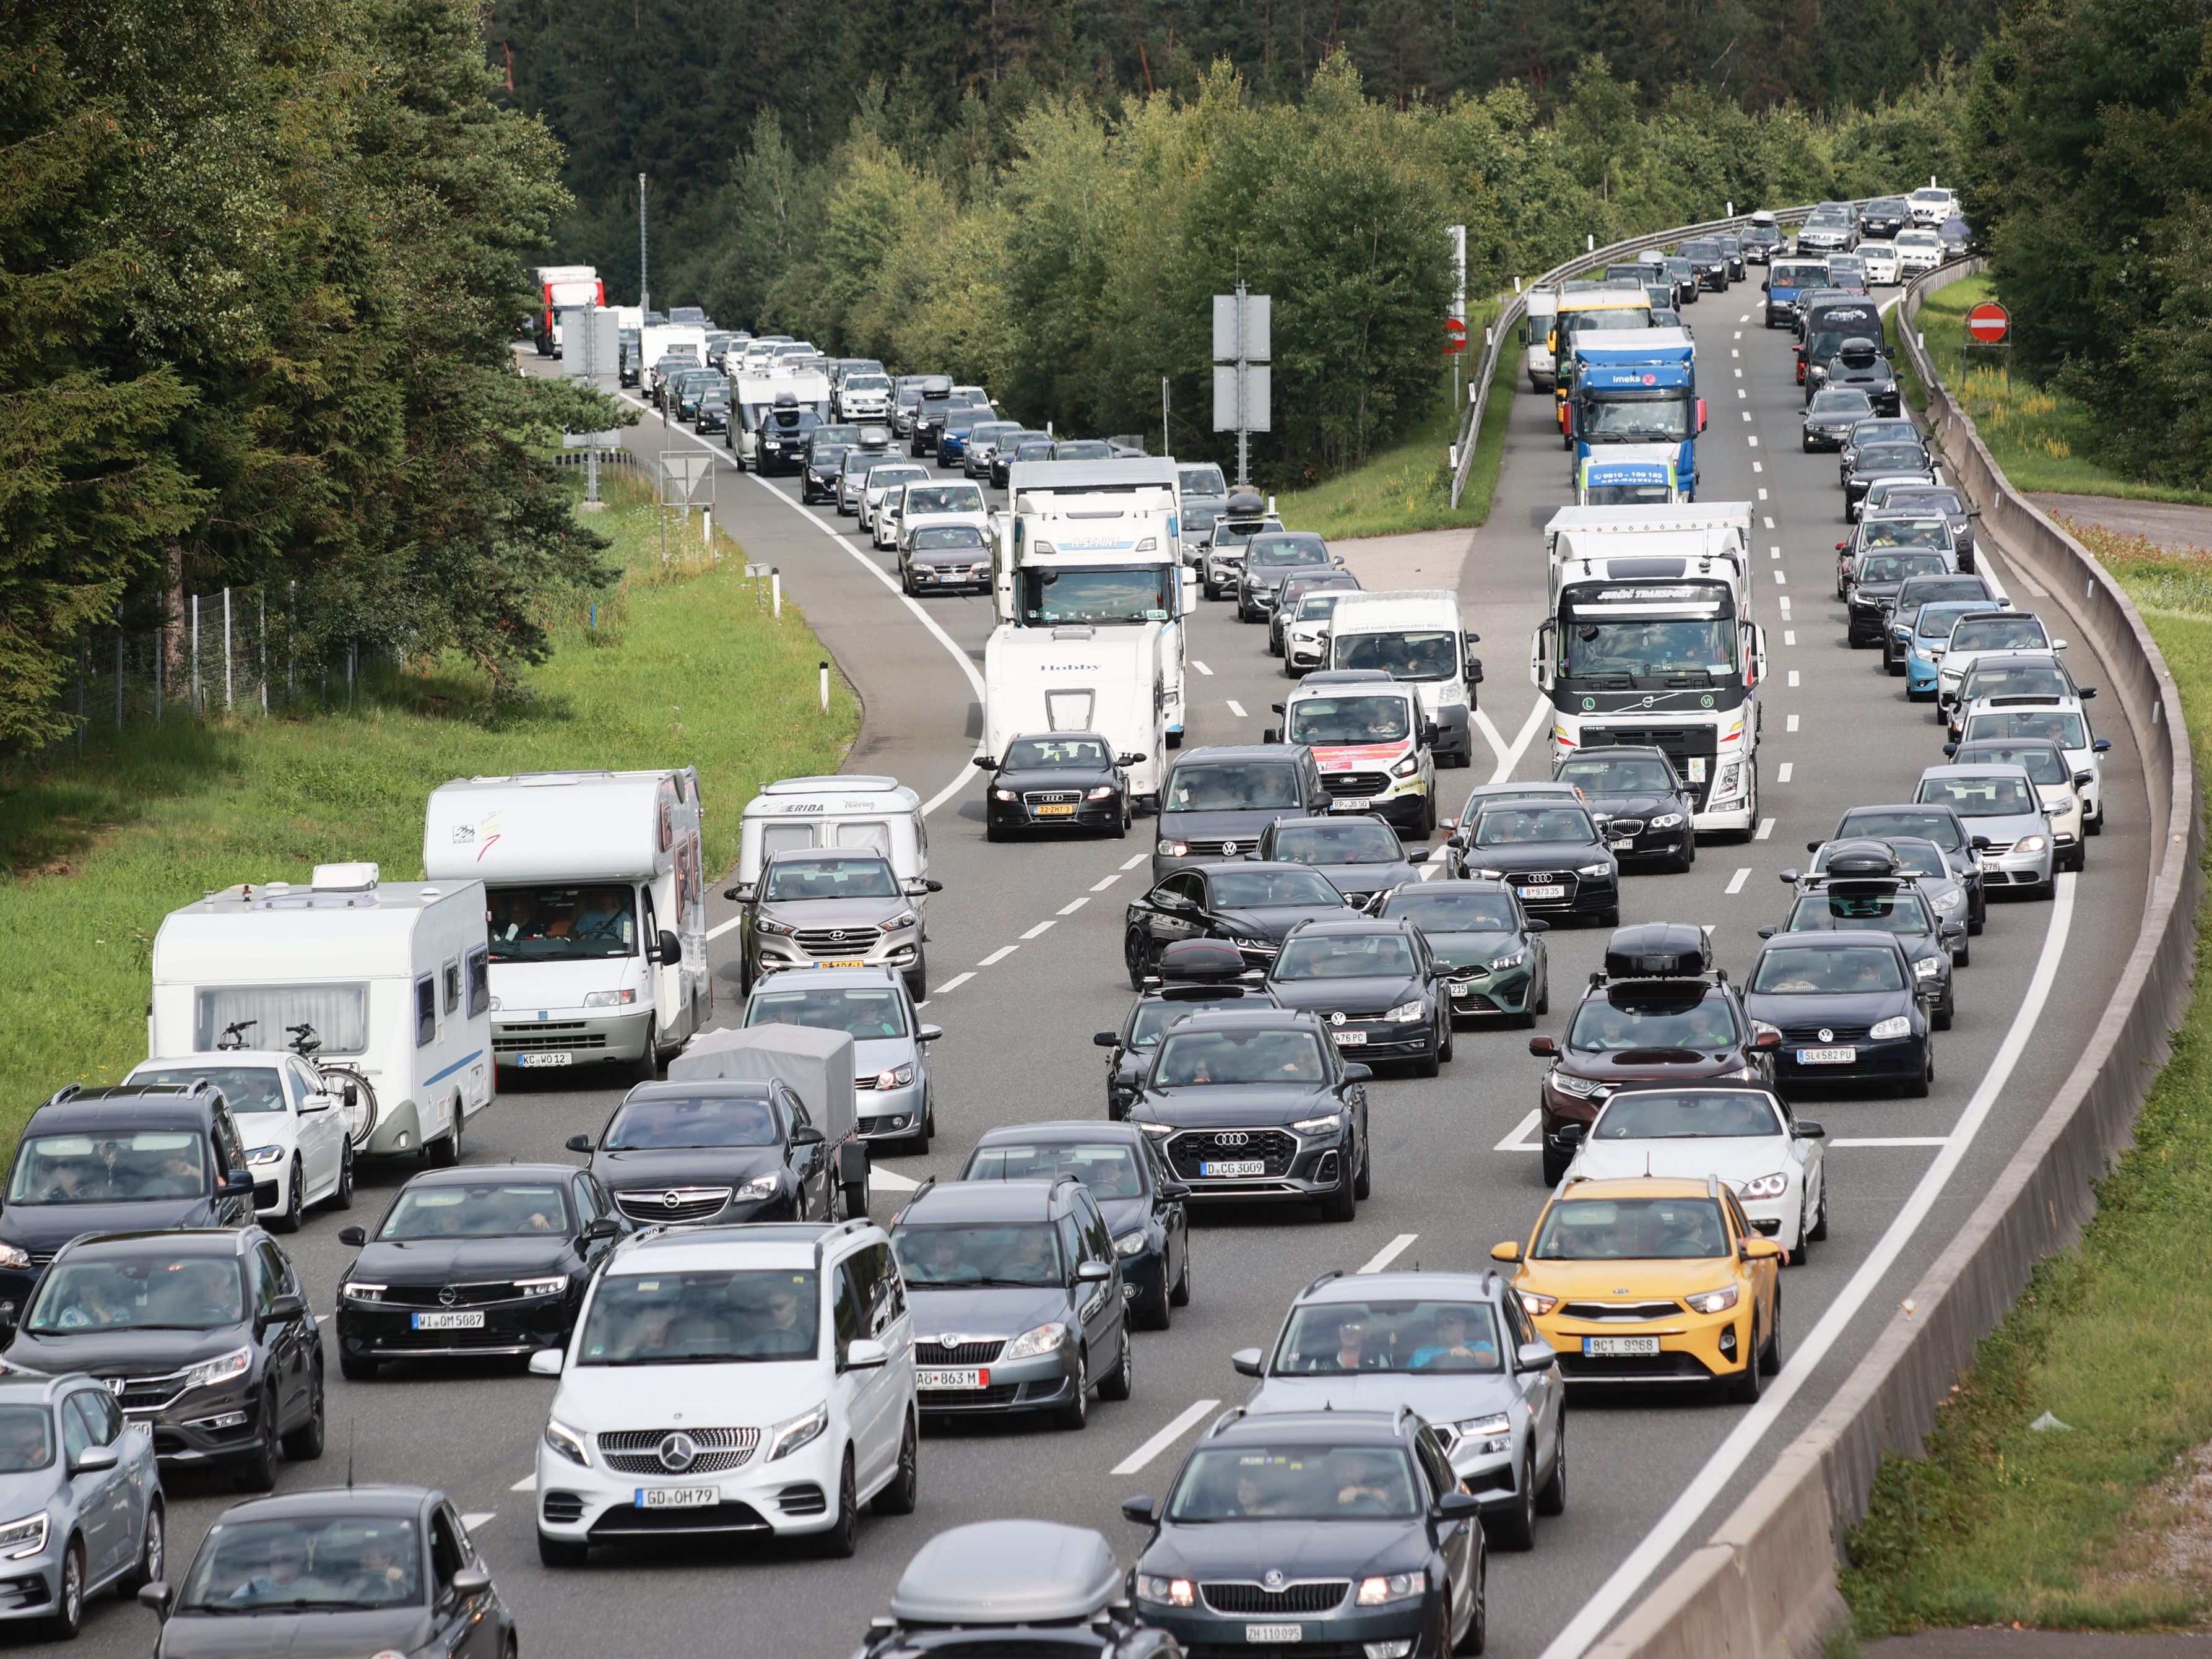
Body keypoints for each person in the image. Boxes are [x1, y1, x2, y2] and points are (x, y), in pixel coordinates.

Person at [228, 1534, 312, 1604]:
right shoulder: (255, 1586)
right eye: (275, 1558)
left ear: (299, 1560)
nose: (279, 1562)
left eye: (286, 1558)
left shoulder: (312, 1588)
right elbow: (233, 1606)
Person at [1409, 1307, 1499, 1371]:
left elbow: (1494, 1361)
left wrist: (1470, 1355)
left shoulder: (1480, 1346)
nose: (1444, 1326)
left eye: (1450, 1321)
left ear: (1463, 1325)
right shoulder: (1422, 1353)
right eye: (1439, 1323)